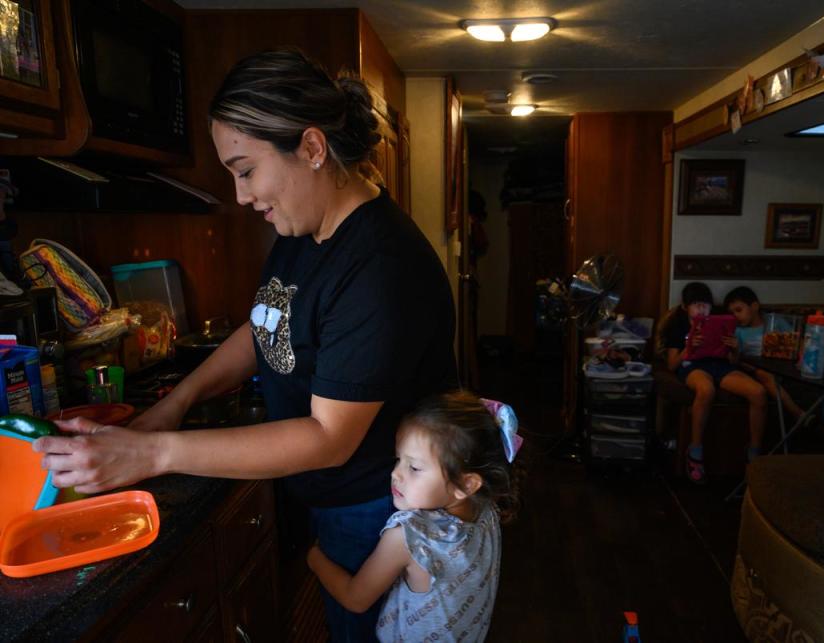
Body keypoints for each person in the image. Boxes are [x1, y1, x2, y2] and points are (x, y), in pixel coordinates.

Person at [33, 48, 457, 641]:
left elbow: (328, 439)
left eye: (245, 169)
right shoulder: (305, 229)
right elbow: (266, 327)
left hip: (376, 512)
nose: (239, 194)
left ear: (312, 148)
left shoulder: (377, 267)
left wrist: (154, 453)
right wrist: (173, 406)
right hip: (338, 501)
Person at [307, 392, 521, 642]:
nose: (395, 474)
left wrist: (313, 558)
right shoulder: (487, 510)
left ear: (465, 485)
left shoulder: (407, 535)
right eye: (398, 460)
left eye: (415, 467)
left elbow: (356, 599)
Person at [664, 282, 767, 483]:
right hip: (692, 366)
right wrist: (688, 347)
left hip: (722, 366)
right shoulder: (678, 325)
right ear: (685, 307)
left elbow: (733, 361)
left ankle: (754, 452)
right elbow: (671, 364)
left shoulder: (721, 321)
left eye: (705, 305)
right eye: (696, 305)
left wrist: (735, 348)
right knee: (706, 389)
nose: (701, 309)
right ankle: (695, 451)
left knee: (759, 393)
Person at [722, 286, 805, 421]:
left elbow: (796, 341)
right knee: (762, 373)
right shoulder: (738, 331)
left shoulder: (773, 322)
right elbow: (736, 360)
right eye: (732, 313)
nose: (735, 316)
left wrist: (801, 358)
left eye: (739, 310)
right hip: (755, 369)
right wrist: (736, 350)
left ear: (754, 306)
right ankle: (799, 414)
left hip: (781, 365)